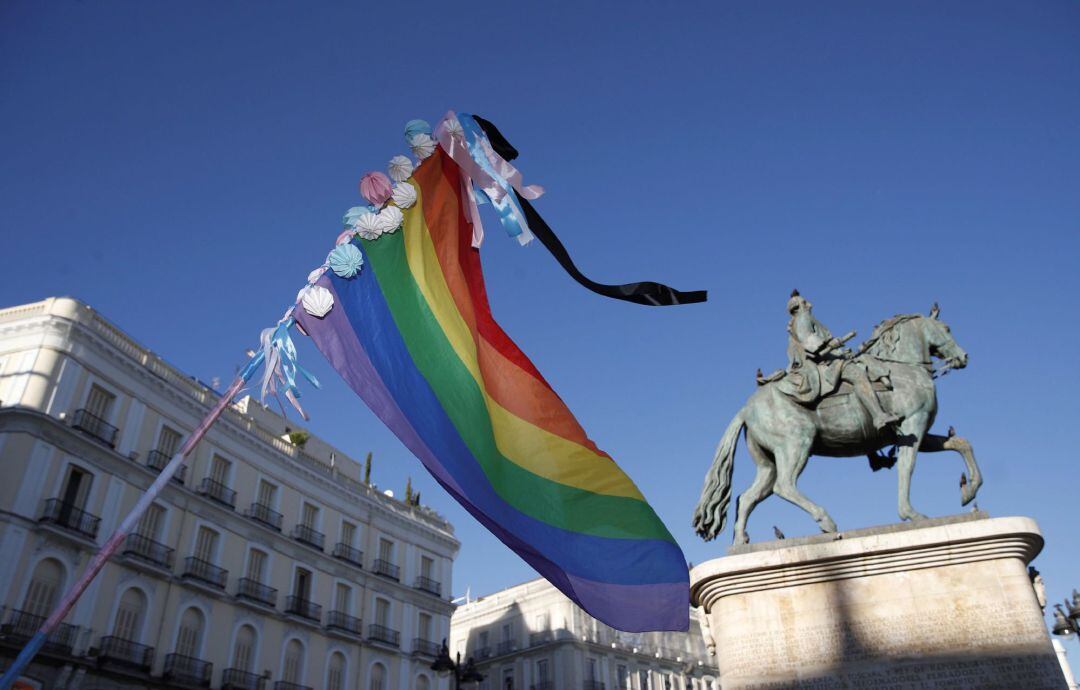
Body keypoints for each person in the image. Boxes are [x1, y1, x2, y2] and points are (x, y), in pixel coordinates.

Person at [786, 290, 900, 430]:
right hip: (822, 364)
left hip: (827, 358)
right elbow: (807, 339)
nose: (810, 305)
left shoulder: (802, 320)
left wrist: (836, 350)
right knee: (858, 375)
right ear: (798, 307)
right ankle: (879, 416)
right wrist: (828, 344)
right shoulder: (803, 318)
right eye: (805, 303)